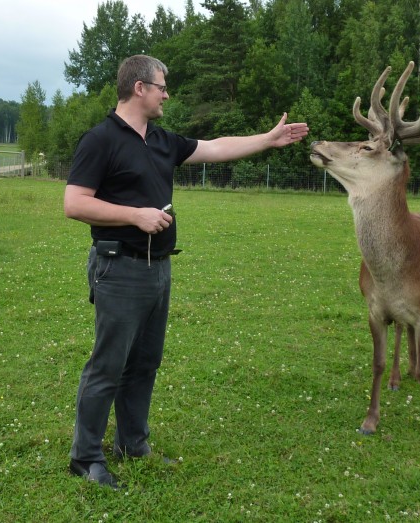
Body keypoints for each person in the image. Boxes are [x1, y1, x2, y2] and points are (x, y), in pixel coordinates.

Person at [64, 54, 309, 489]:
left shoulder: (159, 140)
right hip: (117, 266)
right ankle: (85, 458)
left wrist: (267, 139)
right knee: (108, 366)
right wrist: (134, 216)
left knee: (144, 363)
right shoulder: (100, 140)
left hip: (157, 268)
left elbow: (215, 147)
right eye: (162, 86)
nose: (166, 94)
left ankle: (132, 443)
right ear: (139, 88)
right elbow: (75, 203)